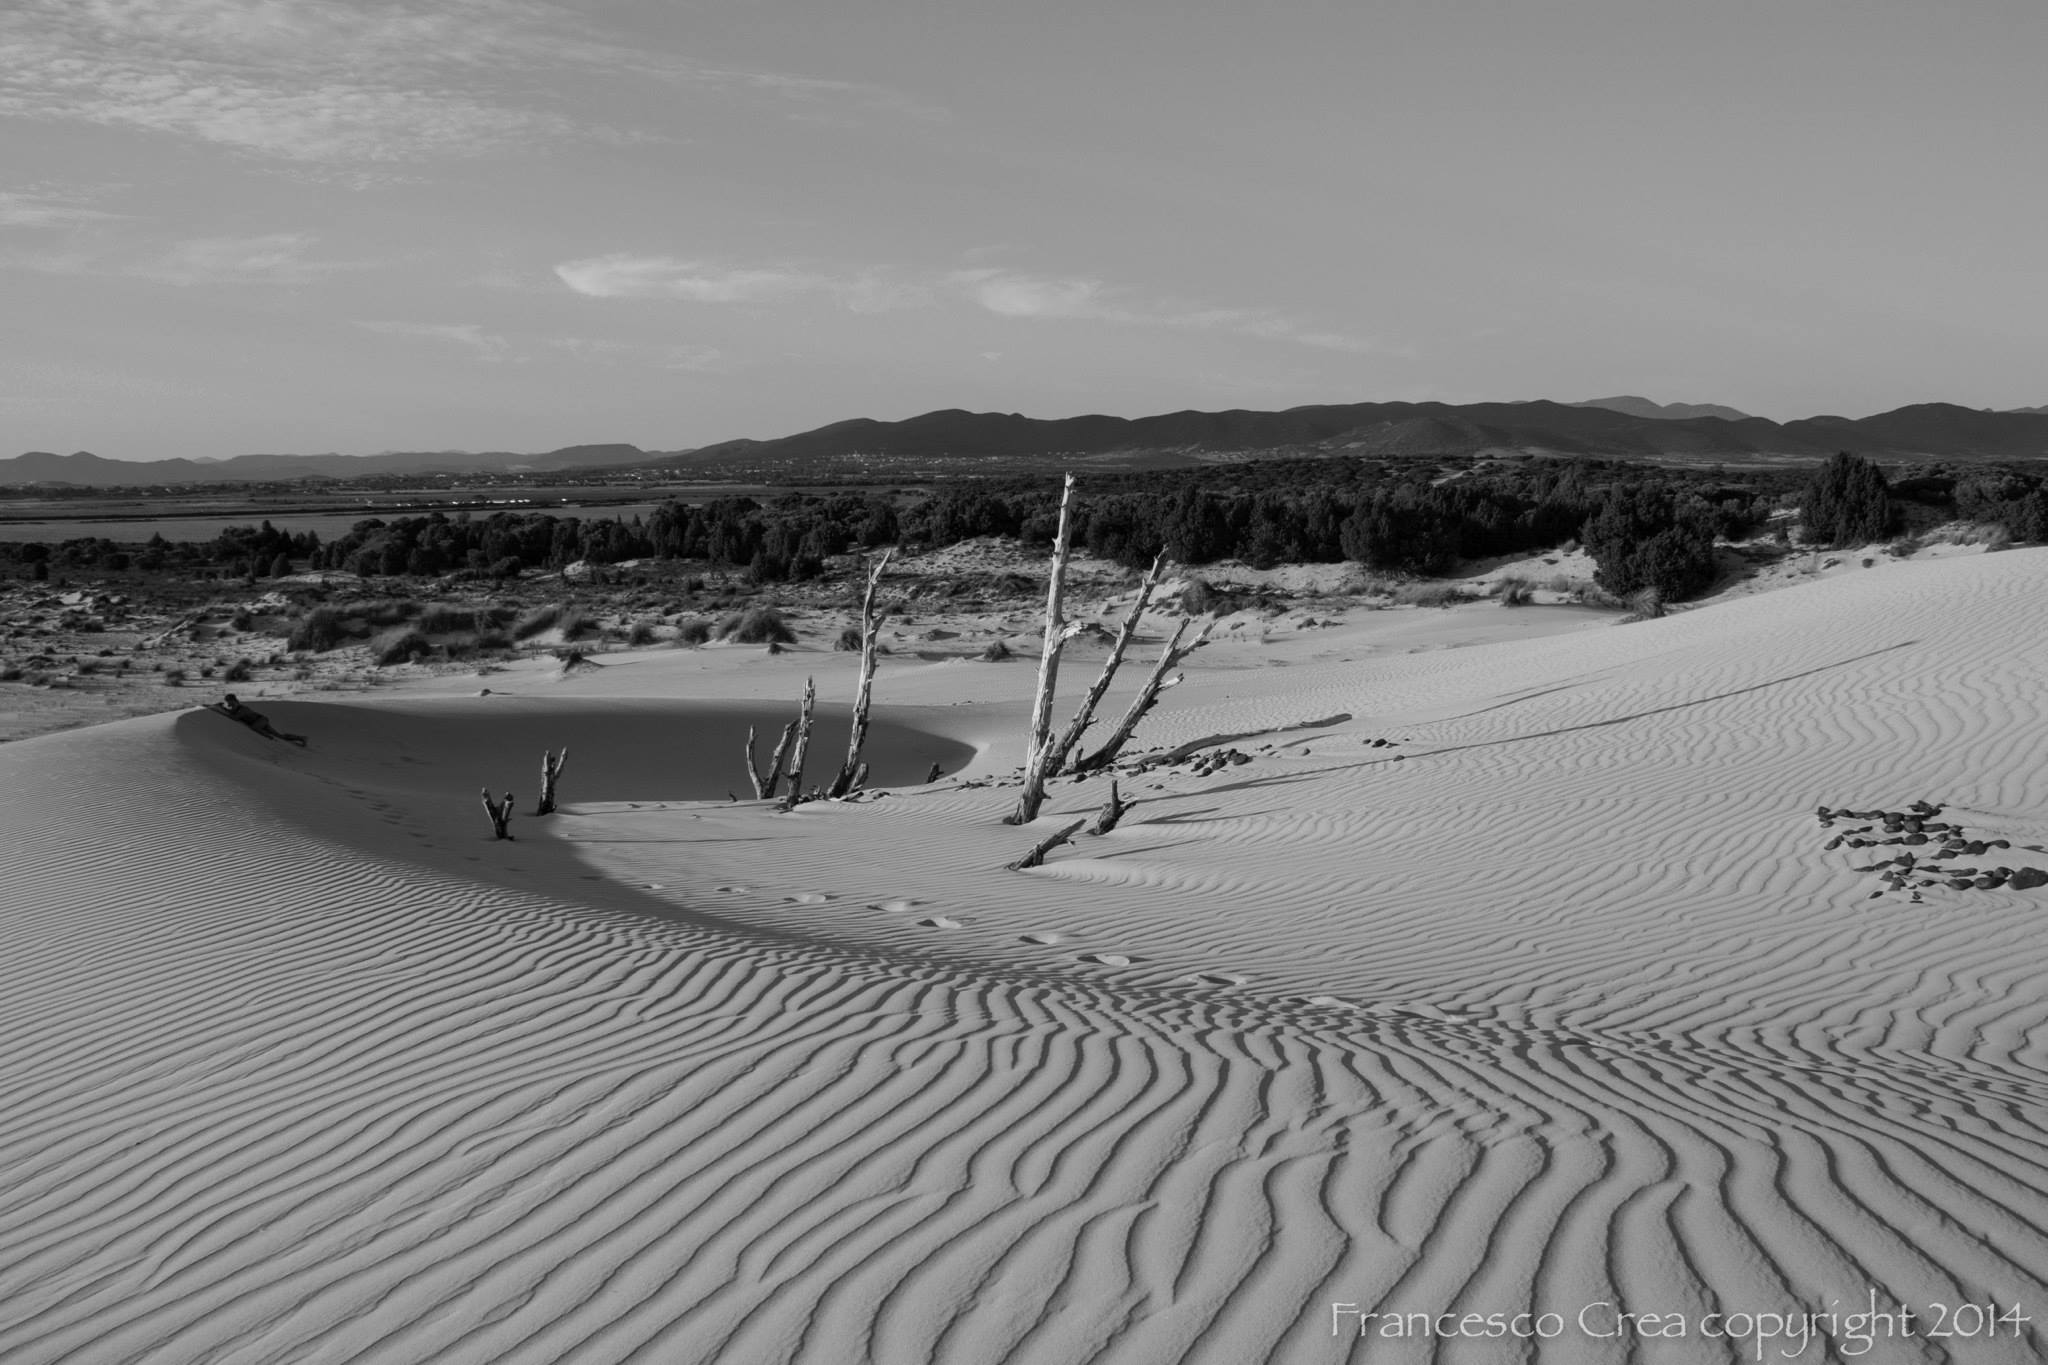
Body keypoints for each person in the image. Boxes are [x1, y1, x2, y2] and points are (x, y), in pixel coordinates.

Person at [212, 693, 308, 746]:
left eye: (229, 701)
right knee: (280, 736)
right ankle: (301, 738)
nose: (228, 704)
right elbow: (232, 713)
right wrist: (223, 708)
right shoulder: (236, 708)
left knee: (254, 728)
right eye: (227, 702)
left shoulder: (242, 709)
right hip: (261, 720)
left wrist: (221, 711)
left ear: (234, 701)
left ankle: (268, 737)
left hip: (260, 720)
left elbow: (235, 718)